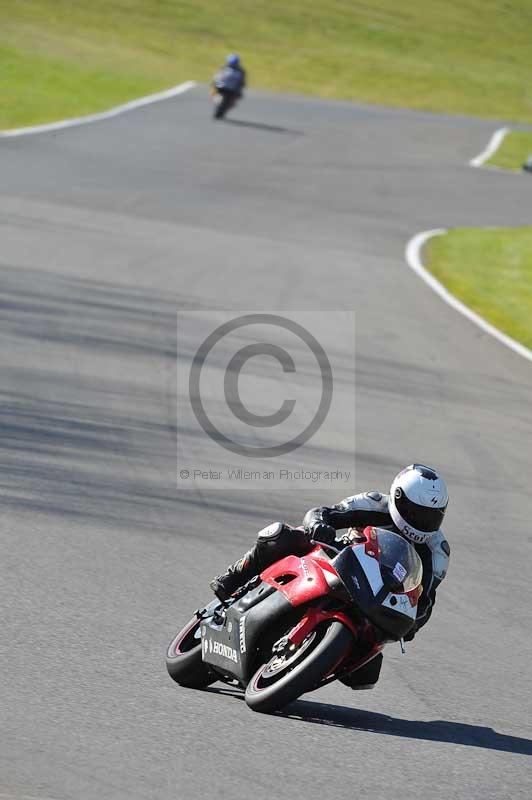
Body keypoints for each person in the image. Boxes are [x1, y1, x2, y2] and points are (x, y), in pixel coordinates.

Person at [210, 464, 450, 689]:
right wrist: (319, 525)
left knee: (365, 673)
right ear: (397, 498)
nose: (423, 522)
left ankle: (306, 665)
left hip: (376, 600)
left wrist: (413, 623)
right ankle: (234, 576)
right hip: (339, 561)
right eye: (416, 513)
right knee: (284, 536)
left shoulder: (437, 552)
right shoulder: (374, 504)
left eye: (431, 517)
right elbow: (323, 513)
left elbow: (425, 599)